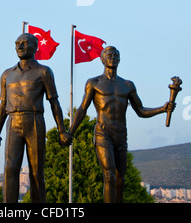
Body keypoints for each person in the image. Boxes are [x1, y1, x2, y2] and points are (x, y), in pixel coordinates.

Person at [68, 46, 175, 203]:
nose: (113, 57)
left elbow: (141, 111)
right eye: (109, 55)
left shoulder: (128, 85)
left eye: (116, 55)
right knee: (109, 175)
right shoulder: (94, 82)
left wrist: (163, 109)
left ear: (120, 59)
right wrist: (70, 132)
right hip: (103, 132)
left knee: (120, 179)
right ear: (102, 59)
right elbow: (83, 108)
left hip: (121, 134)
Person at [0, 33, 71, 203]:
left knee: (36, 172)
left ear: (35, 47)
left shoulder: (43, 71)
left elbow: (54, 102)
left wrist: (62, 130)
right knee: (10, 169)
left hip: (34, 121)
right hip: (13, 122)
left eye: (24, 44)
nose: (20, 47)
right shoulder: (7, 74)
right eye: (17, 44)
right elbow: (3, 106)